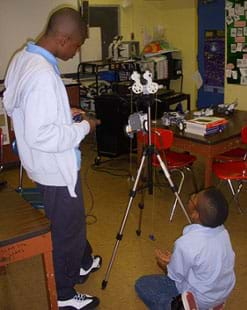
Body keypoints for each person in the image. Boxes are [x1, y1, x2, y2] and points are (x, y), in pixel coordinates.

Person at [3, 7, 101, 310]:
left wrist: (62, 114)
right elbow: (44, 136)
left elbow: (10, 103)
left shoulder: (24, 57)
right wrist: (85, 126)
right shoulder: (43, 74)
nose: (77, 51)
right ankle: (64, 293)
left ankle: (82, 262)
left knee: (69, 223)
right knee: (68, 230)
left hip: (38, 165)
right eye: (76, 44)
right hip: (55, 169)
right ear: (63, 38)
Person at [135, 187, 236, 310]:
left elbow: (175, 276)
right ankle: (210, 305)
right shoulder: (223, 232)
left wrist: (167, 264)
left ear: (195, 214)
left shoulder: (186, 243)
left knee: (142, 284)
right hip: (221, 293)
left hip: (199, 297)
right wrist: (175, 259)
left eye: (193, 198)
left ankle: (179, 306)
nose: (192, 195)